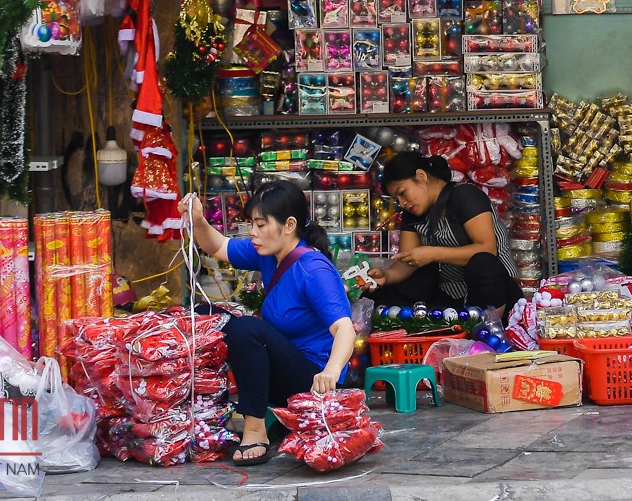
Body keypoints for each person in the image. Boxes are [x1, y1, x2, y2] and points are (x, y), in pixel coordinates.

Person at [185, 180, 356, 464]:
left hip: (311, 379)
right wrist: (199, 220)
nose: (253, 232)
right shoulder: (269, 253)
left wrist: (331, 371)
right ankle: (206, 410)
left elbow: (346, 329)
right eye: (252, 224)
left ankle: (255, 430)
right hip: (280, 367)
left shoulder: (312, 268)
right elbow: (219, 246)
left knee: (246, 330)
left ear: (289, 225)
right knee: (205, 314)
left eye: (261, 225)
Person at [369, 151, 521, 312]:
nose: (402, 203)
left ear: (421, 176)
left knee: (482, 262)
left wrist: (432, 254)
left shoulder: (465, 195)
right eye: (396, 199)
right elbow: (408, 261)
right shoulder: (412, 212)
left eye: (402, 192)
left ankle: (491, 327)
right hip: (452, 297)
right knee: (384, 293)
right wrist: (386, 276)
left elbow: (487, 249)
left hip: (495, 293)